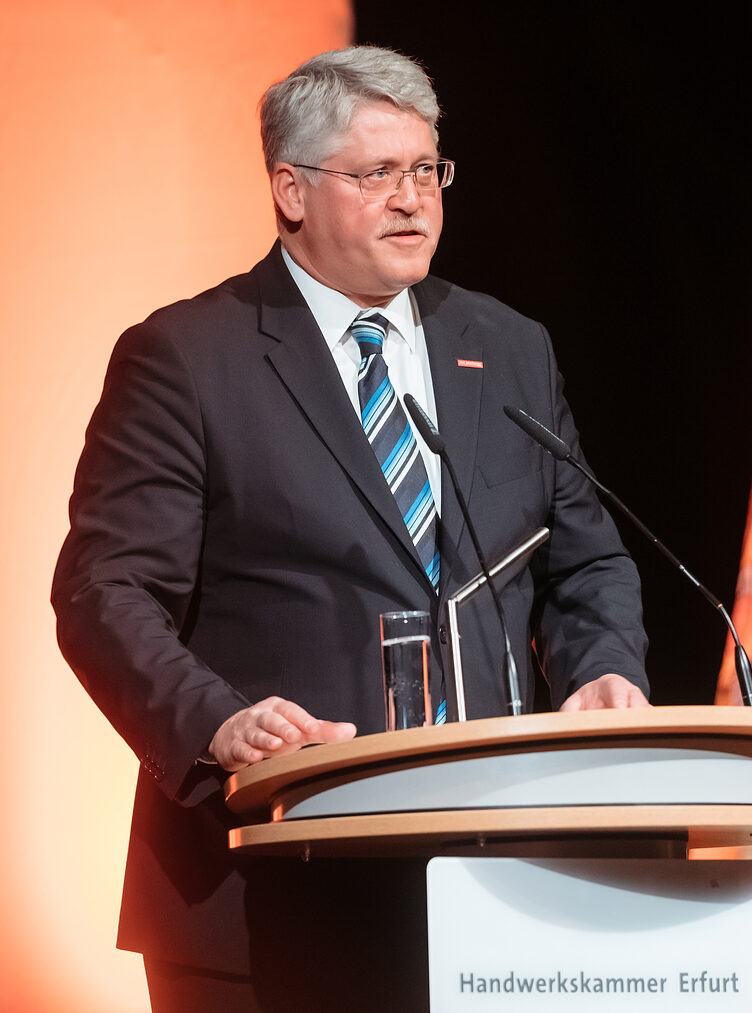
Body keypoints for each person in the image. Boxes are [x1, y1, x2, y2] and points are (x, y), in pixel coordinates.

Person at [51, 46, 649, 1011]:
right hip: (270, 884)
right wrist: (217, 723)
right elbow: (103, 594)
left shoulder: (507, 347)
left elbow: (583, 560)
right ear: (291, 190)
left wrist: (601, 668)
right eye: (377, 175)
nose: (413, 200)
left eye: (426, 170)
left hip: (493, 884)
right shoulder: (188, 358)